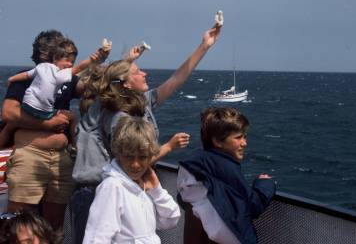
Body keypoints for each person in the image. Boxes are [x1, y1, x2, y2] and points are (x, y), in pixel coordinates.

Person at [69, 24, 221, 244]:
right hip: (97, 194)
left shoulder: (142, 102)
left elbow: (176, 80)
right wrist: (168, 147)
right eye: (137, 71)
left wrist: (204, 46)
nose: (144, 73)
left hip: (127, 188)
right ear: (126, 84)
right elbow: (129, 160)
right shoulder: (116, 116)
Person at [1, 30, 109, 230]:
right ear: (46, 53)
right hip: (30, 154)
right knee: (19, 224)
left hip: (61, 159)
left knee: (54, 225)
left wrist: (100, 63)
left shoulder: (68, 79)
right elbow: (8, 113)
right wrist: (47, 124)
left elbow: (90, 89)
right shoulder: (28, 77)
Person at [177, 107, 276, 244]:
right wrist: (265, 185)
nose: (244, 143)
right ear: (217, 141)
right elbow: (252, 206)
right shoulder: (225, 167)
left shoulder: (196, 163)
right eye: (238, 137)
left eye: (245, 137)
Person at [83, 115, 180, 243]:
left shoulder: (144, 187)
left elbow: (171, 220)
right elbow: (96, 238)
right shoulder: (112, 187)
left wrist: (157, 191)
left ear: (151, 155)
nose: (135, 164)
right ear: (118, 153)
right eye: (129, 157)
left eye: (142, 157)